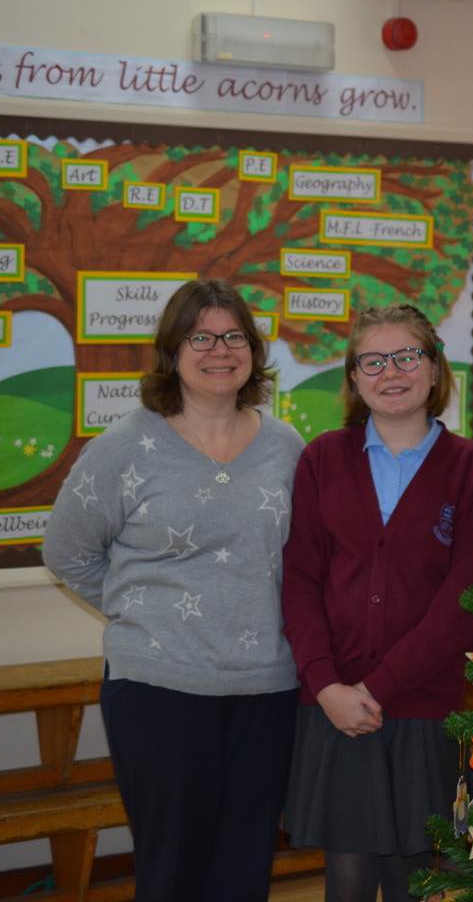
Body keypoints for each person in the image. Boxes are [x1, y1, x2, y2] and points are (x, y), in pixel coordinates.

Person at [43, 278, 305, 901]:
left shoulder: (286, 446)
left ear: (253, 348)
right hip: (157, 691)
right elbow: (66, 551)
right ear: (173, 351)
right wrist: (139, 611)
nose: (220, 350)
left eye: (233, 335)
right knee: (173, 870)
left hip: (265, 691)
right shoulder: (127, 445)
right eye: (201, 337)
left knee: (245, 869)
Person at [281, 304, 473, 902]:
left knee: (414, 876)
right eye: (372, 361)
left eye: (408, 356)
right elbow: (299, 581)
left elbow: (468, 598)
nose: (391, 372)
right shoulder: (322, 459)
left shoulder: (470, 467)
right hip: (335, 704)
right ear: (354, 379)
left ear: (434, 370)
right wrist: (327, 685)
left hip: (421, 706)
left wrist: (379, 687)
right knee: (346, 880)